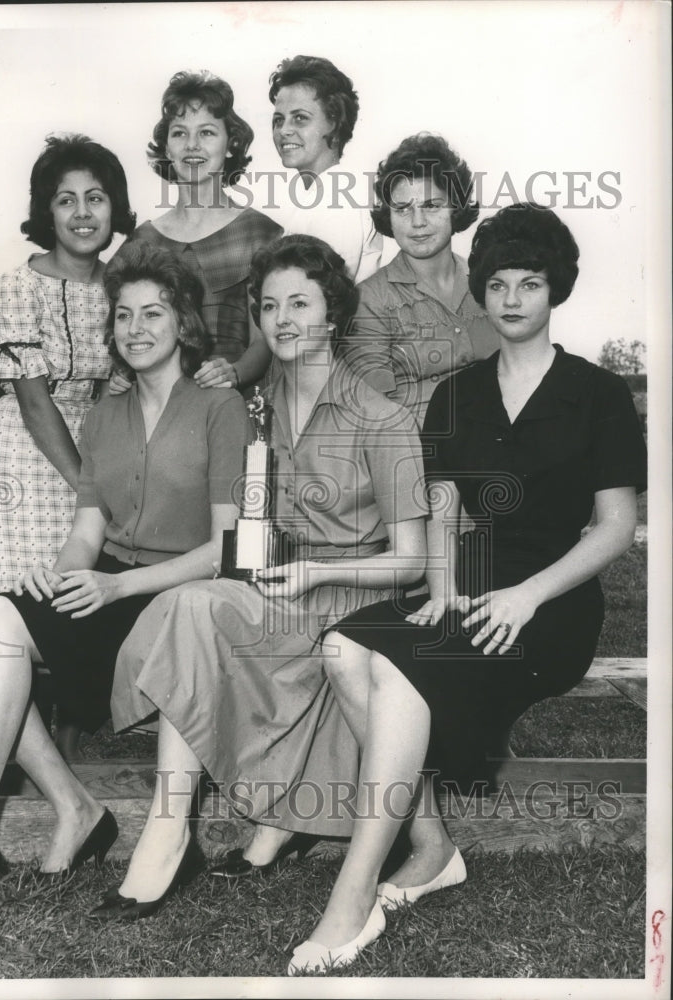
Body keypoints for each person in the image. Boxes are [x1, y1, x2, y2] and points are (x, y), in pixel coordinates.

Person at [286, 203, 647, 974]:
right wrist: (446, 588)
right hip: (471, 587)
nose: (511, 298)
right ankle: (431, 846)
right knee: (347, 648)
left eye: (530, 283)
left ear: (556, 293)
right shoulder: (457, 394)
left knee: (405, 674)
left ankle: (352, 894)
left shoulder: (598, 393)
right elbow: (442, 509)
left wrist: (526, 598)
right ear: (479, 294)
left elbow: (613, 527)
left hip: (552, 606)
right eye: (496, 284)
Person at [0, 243, 250, 925]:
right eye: (123, 316)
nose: (136, 328)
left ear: (183, 321)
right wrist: (61, 574)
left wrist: (117, 589)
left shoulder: (218, 405)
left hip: (183, 589)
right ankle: (24, 819)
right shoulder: (105, 413)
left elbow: (225, 548)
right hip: (109, 577)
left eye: (153, 313)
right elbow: (88, 531)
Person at [91, 234, 428, 921]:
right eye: (268, 305)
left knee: (202, 613)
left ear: (331, 312)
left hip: (349, 603)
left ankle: (271, 818)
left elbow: (412, 560)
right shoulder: (248, 406)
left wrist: (311, 574)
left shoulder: (381, 417)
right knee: (192, 608)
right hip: (275, 591)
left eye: (298, 303)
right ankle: (167, 825)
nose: (281, 319)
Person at [0, 134, 136, 606]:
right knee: (23, 588)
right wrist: (91, 488)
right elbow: (35, 403)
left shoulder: (123, 287)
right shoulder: (16, 286)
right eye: (67, 200)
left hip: (101, 441)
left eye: (96, 198)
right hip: (28, 448)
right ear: (48, 212)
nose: (83, 213)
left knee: (83, 589)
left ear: (114, 208)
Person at [127, 70, 282, 391]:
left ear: (230, 145)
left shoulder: (259, 233)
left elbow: (266, 340)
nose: (192, 145)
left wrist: (235, 372)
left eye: (207, 132)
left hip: (230, 405)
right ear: (167, 148)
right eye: (180, 134)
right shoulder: (142, 241)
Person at [343, 132, 499, 424]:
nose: (417, 222)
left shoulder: (491, 285)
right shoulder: (369, 301)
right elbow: (377, 415)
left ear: (456, 207)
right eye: (402, 209)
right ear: (387, 216)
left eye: (431, 205)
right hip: (421, 454)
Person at [269, 55, 383, 283]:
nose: (284, 130)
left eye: (300, 118)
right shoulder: (322, 195)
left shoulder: (336, 202)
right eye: (279, 120)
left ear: (334, 122)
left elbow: (320, 299)